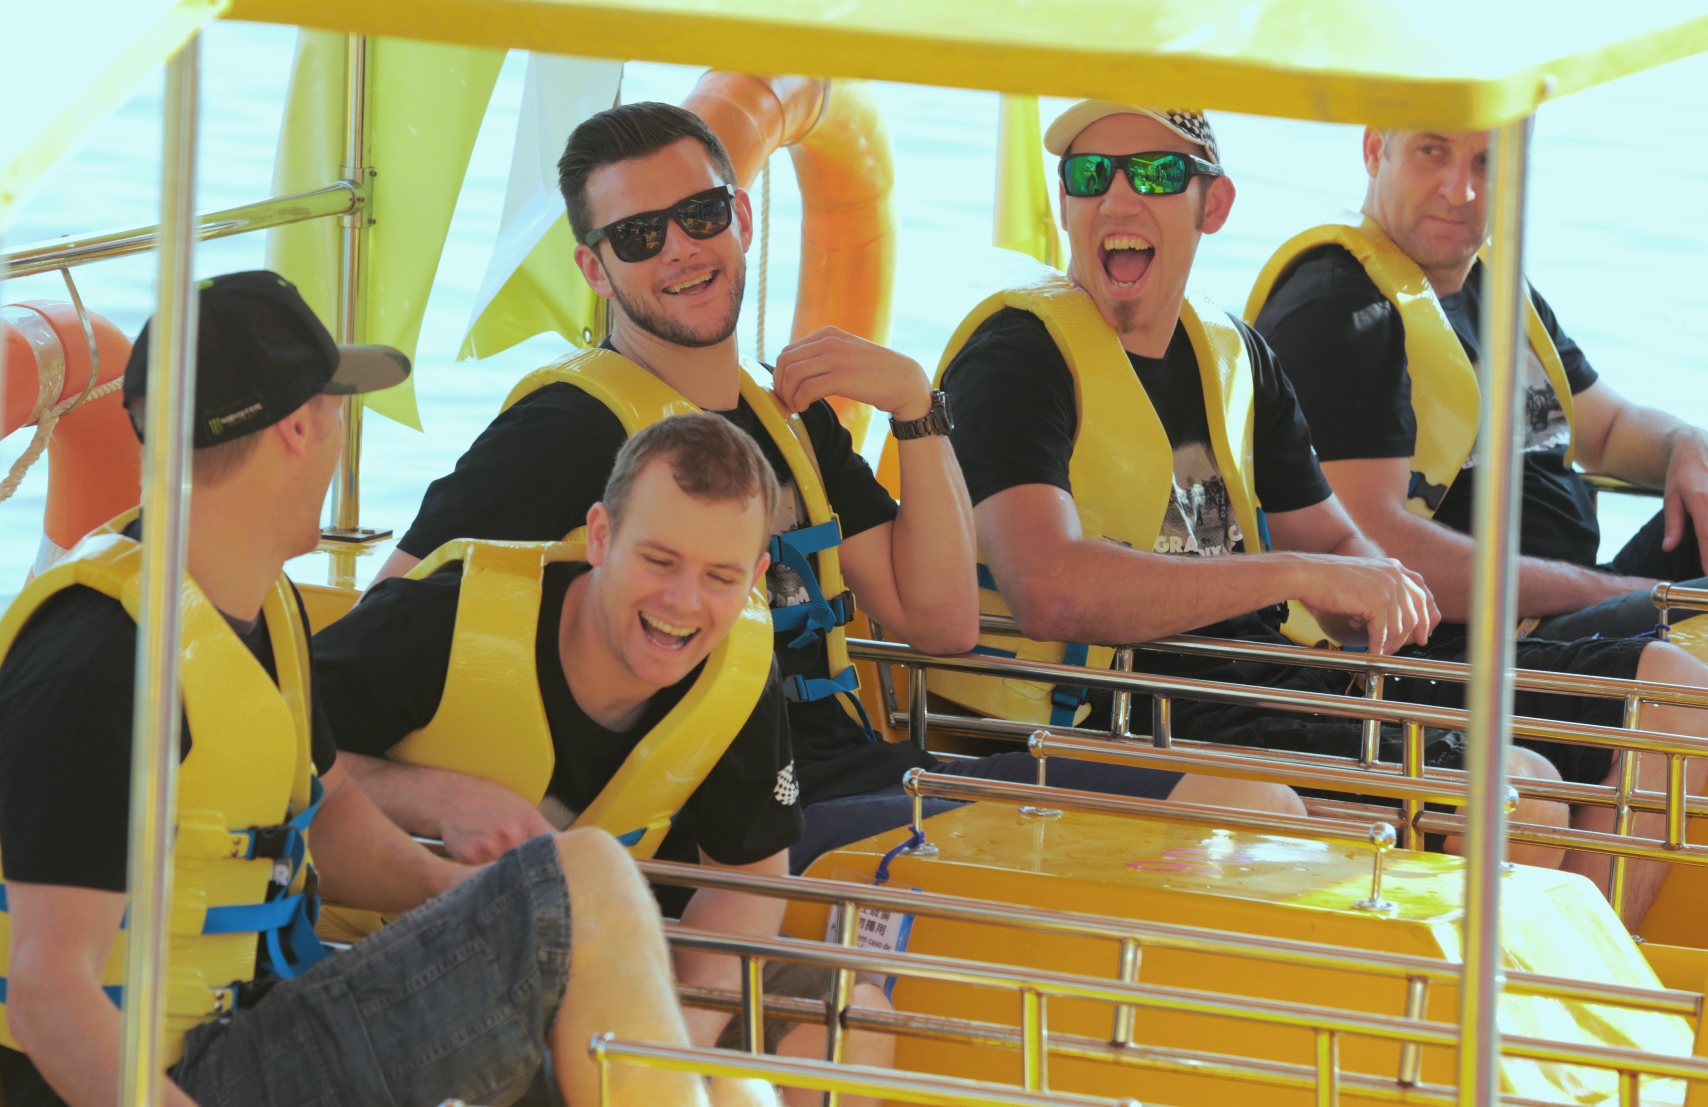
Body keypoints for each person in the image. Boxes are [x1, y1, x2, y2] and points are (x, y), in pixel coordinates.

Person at [365, 101, 1299, 876]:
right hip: (732, 832)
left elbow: (940, 620)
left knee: (1253, 802)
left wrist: (916, 408)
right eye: (640, 236)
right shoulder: (565, 428)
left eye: (701, 215)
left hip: (872, 778)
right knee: (1180, 862)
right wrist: (438, 797)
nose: (681, 249)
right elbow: (382, 629)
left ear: (744, 218)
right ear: (593, 269)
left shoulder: (787, 418)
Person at [935, 102, 1708, 927]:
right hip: (1115, 704)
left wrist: (1373, 590)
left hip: (1264, 674)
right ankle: (1509, 1000)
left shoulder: (1235, 354)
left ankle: (1570, 996)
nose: (1118, 198)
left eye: (1156, 174)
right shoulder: (1017, 357)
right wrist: (1302, 573)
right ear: (1064, 201)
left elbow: (1336, 538)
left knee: (1674, 697)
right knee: (1522, 799)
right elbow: (1050, 589)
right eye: (1090, 175)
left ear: (1213, 204)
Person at [0, 273, 764, 1107]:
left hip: (255, 1018)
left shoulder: (259, 605)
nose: (341, 431)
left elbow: (326, 809)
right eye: (339, 407)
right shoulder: (100, 660)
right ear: (300, 427)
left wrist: (457, 896)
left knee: (682, 1037)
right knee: (588, 877)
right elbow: (47, 994)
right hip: (172, 1073)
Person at [314, 413, 893, 1098]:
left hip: (597, 958)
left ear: (757, 577)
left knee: (848, 1015)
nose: (683, 602)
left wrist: (674, 1051)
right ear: (600, 536)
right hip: (385, 954)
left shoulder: (736, 670)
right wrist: (437, 798)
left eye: (720, 575)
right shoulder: (435, 621)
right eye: (659, 560)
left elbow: (747, 882)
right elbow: (277, 761)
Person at [1249, 126, 1708, 641]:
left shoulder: (1494, 285)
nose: (1460, 190)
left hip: (1569, 607)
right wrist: (1611, 593)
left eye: (1487, 162)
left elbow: (1608, 430)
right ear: (1375, 150)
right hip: (1465, 647)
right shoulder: (1340, 311)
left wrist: (1685, 443)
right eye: (1432, 151)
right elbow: (1367, 542)